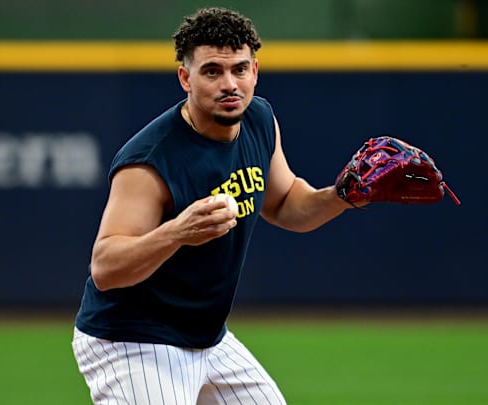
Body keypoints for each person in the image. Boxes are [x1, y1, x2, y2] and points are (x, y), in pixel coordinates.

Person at [72, 7, 354, 404]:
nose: (230, 84)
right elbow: (105, 268)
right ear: (185, 77)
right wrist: (177, 232)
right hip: (131, 338)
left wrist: (345, 195)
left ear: (255, 70)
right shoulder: (151, 159)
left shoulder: (258, 119)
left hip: (208, 338)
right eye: (212, 72)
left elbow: (288, 203)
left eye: (239, 69)